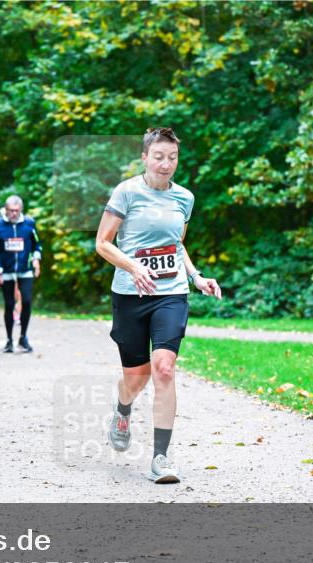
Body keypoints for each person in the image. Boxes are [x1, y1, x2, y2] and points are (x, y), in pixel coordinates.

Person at [94, 127, 222, 484]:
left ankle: (161, 458)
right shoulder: (126, 192)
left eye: (173, 157)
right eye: (159, 156)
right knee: (136, 379)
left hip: (171, 293)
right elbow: (103, 243)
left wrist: (196, 277)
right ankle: (123, 410)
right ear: (145, 157)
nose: (166, 164)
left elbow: (175, 246)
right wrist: (133, 266)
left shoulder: (185, 198)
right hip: (130, 295)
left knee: (164, 368)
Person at [0, 195, 42, 353]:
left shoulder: (29, 224)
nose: (13, 214)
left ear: (21, 210)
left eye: (16, 211)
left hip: (25, 270)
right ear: (5, 209)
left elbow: (37, 245)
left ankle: (23, 337)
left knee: (26, 302)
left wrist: (36, 259)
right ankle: (9, 340)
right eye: (10, 211)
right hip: (6, 271)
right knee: (9, 305)